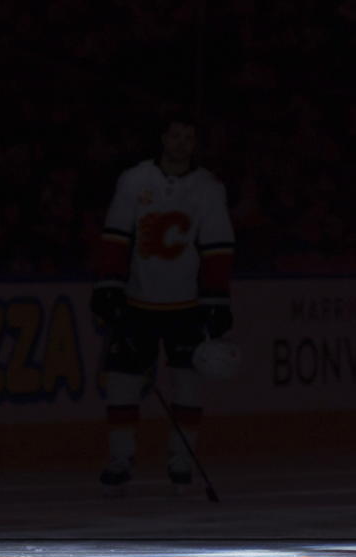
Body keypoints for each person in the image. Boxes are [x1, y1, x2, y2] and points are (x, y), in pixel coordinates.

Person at [91, 110, 235, 493]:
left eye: (188, 138)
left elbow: (218, 247)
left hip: (185, 304)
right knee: (122, 381)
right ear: (162, 139)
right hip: (137, 300)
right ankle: (120, 457)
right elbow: (116, 237)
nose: (181, 145)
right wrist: (109, 285)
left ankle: (180, 459)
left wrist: (217, 300)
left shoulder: (208, 187)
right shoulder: (134, 180)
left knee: (187, 383)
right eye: (175, 137)